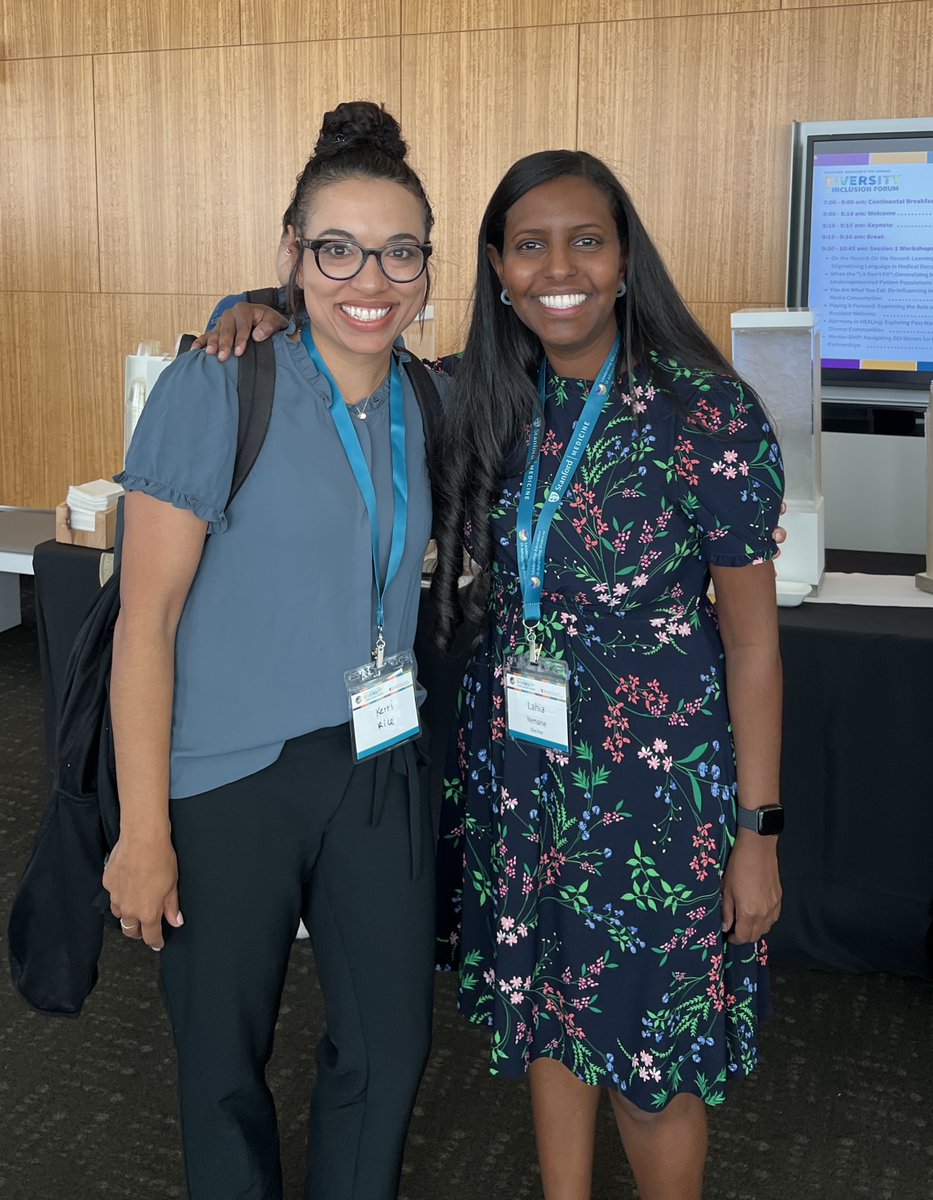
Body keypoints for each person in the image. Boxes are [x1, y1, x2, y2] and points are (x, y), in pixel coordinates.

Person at [102, 101, 444, 1200]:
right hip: (228, 776)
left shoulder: (427, 397)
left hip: (378, 762)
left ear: (427, 267)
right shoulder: (218, 385)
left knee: (390, 1046)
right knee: (221, 1066)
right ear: (292, 253)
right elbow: (143, 622)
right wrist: (141, 831)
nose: (369, 277)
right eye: (336, 248)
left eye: (399, 251)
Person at [427, 151, 785, 1200]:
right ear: (498, 270)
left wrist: (757, 836)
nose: (558, 268)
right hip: (525, 777)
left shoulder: (704, 414)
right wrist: (254, 304)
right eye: (529, 246)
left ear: (626, 259)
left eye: (585, 240)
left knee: (650, 1061)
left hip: (656, 802)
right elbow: (346, 346)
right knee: (547, 1010)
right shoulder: (485, 397)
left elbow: (756, 644)